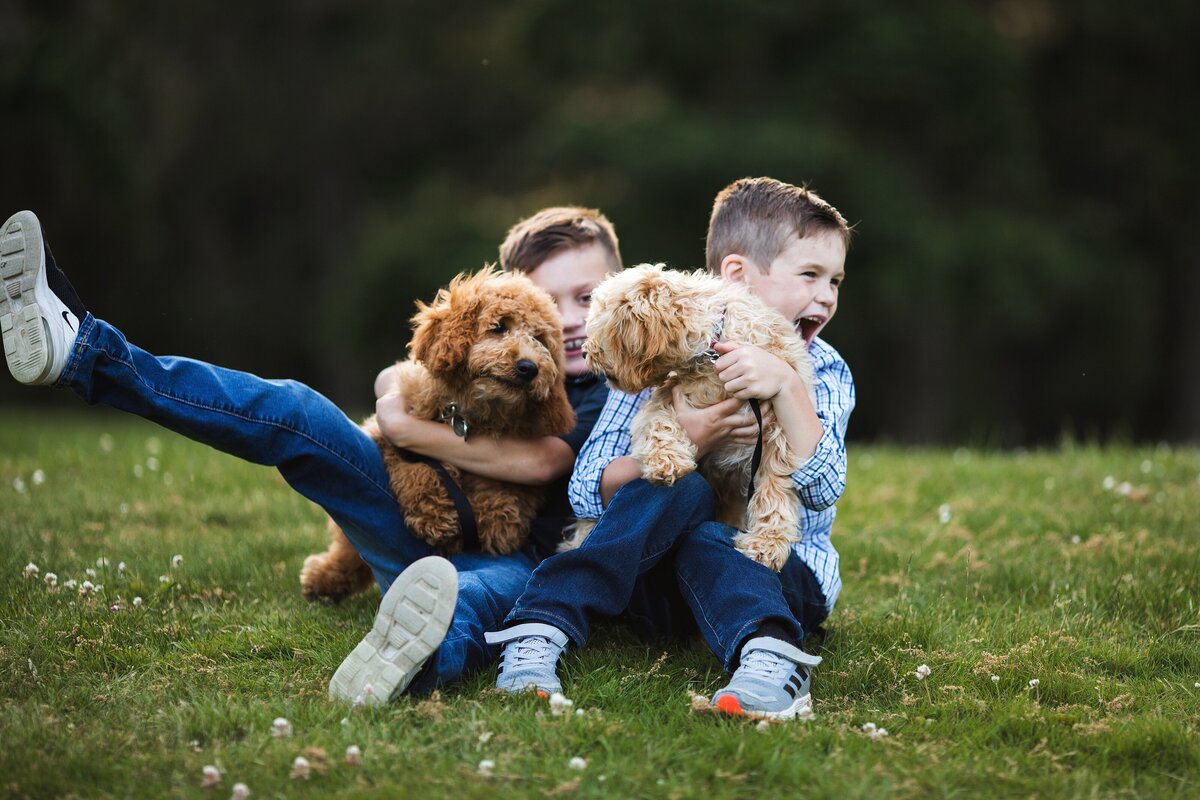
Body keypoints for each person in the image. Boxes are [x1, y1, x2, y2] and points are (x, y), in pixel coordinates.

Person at [0, 205, 618, 702]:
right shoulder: (478, 352)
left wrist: (404, 427)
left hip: (520, 560)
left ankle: (410, 664)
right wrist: (397, 404)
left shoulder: (615, 386)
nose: (565, 322)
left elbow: (541, 462)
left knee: (472, 593)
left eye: (586, 298)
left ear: (614, 295)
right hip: (405, 513)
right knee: (297, 408)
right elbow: (400, 376)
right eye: (547, 301)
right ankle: (83, 349)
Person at [485, 178, 854, 720]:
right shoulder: (658, 345)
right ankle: (540, 628)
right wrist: (691, 435)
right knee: (670, 484)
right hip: (657, 581)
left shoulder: (822, 368)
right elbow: (590, 489)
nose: (825, 296)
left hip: (781, 572)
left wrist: (787, 388)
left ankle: (770, 657)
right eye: (810, 275)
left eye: (835, 281)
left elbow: (822, 493)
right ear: (737, 275)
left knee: (712, 538)